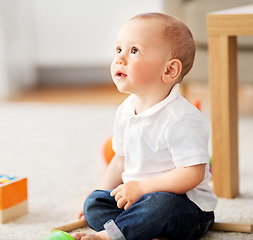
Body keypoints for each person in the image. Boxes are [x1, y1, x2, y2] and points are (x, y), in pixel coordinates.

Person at [72, 12, 217, 240]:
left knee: (160, 206)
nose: (120, 59)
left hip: (185, 208)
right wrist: (103, 193)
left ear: (169, 70)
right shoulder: (125, 110)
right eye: (119, 50)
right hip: (137, 200)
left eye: (134, 51)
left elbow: (194, 174)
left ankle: (109, 236)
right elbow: (119, 160)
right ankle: (140, 229)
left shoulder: (182, 118)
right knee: (93, 203)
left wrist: (142, 188)